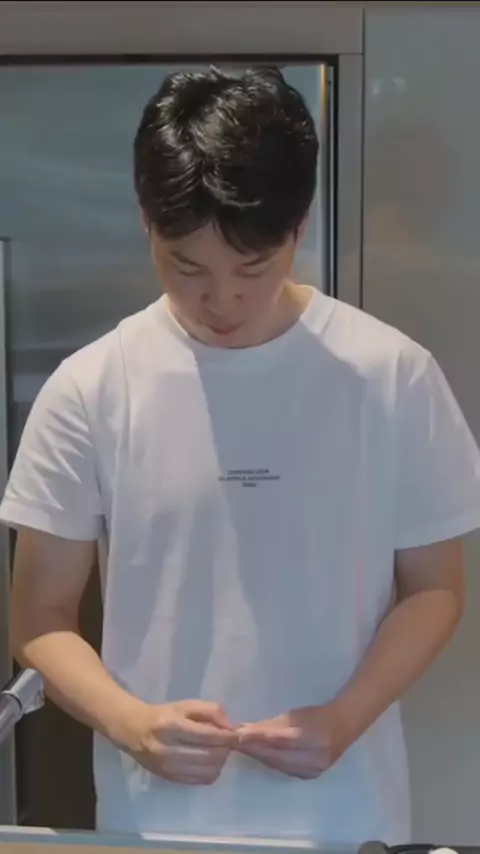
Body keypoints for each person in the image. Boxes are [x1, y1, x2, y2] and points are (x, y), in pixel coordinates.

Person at [1, 65, 480, 845]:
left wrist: (344, 718)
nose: (220, 301)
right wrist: (129, 722)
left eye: (251, 269)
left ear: (298, 228)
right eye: (186, 267)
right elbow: (40, 618)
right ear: (146, 222)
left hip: (346, 817)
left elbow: (435, 590)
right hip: (150, 826)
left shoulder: (390, 375)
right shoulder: (91, 387)